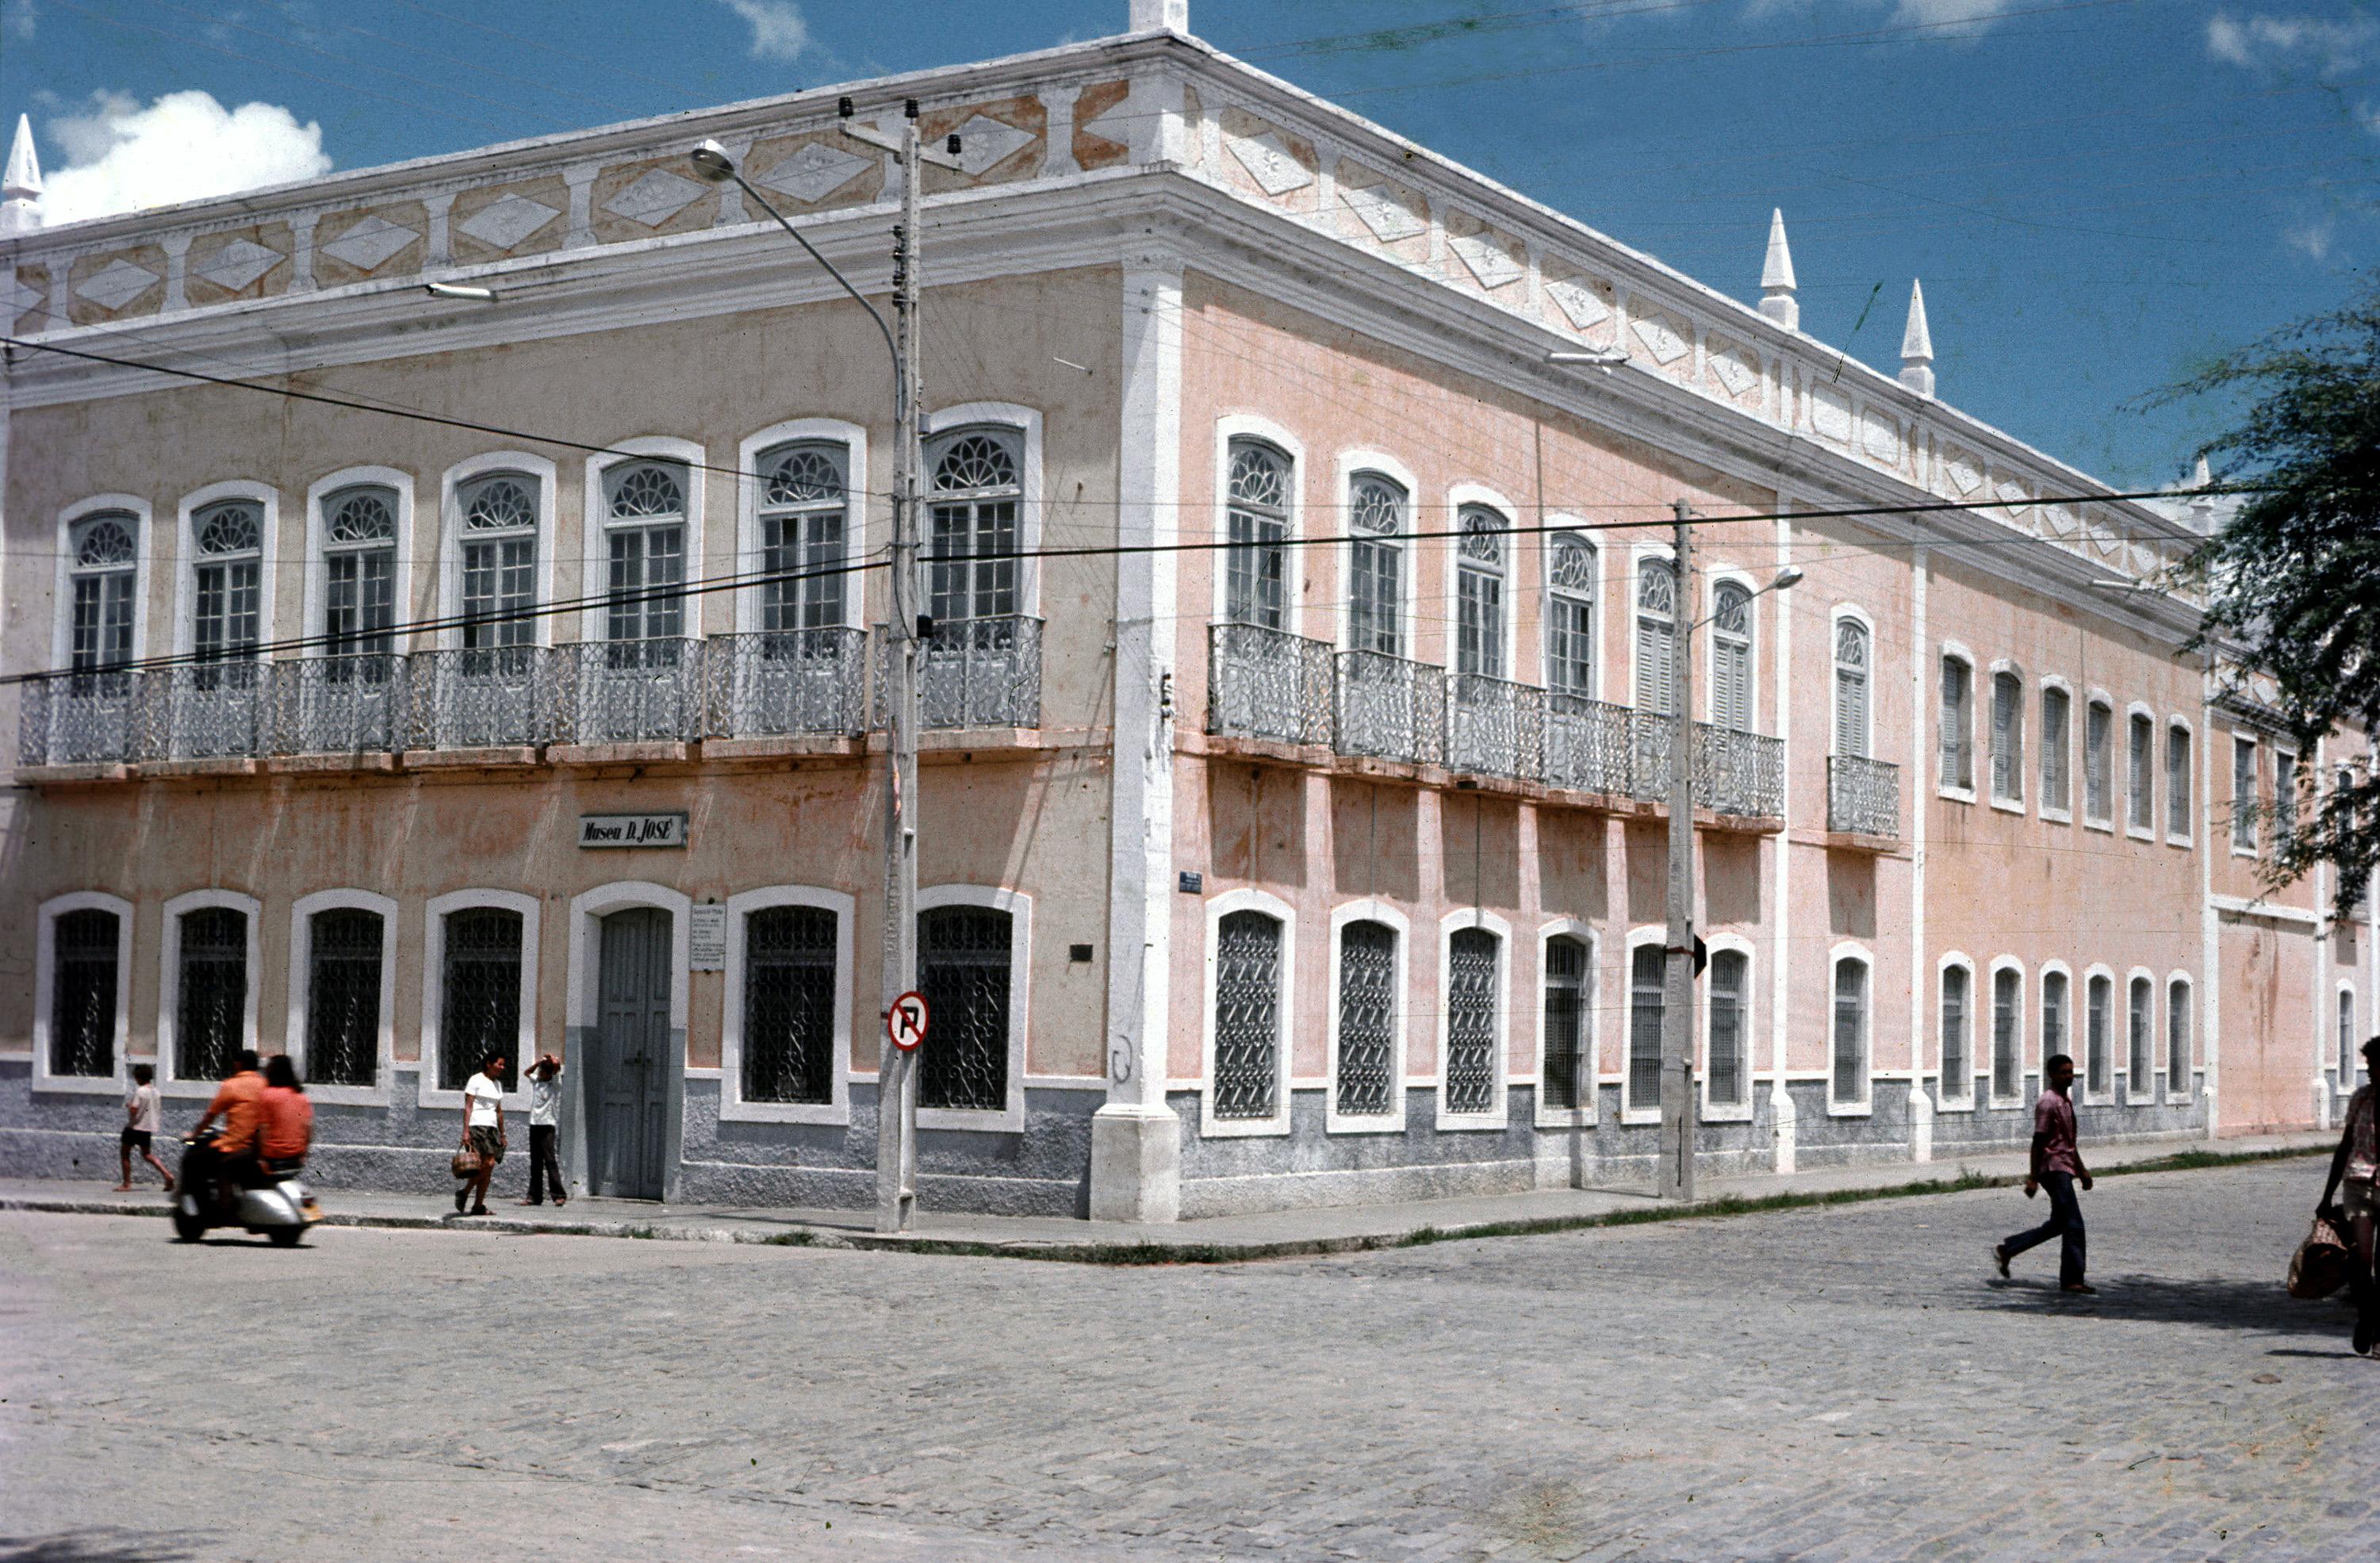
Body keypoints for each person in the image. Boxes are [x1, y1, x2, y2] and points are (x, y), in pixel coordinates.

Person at [1992, 1052, 2095, 1294]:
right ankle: (2072, 1280)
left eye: (2071, 1072)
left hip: (2065, 1167)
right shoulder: (2048, 1102)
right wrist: (2032, 1178)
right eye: (2064, 1072)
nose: (2069, 1076)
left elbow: (2069, 1142)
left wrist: (2082, 1171)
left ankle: (2008, 1250)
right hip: (2053, 1169)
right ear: (2051, 1074)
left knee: (2058, 1224)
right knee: (2074, 1224)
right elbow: (2038, 1142)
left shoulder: (2064, 1100)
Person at [2316, 1034, 2380, 1356]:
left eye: (2374, 1065)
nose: (2369, 1071)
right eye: (2368, 1064)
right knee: (2360, 1259)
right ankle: (2367, 1316)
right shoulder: (2361, 1099)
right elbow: (2344, 1147)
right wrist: (2327, 1196)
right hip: (2359, 1183)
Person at [186, 1049, 266, 1209]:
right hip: (258, 1145)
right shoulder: (265, 1085)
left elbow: (211, 1115)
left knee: (193, 1159)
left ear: (239, 1064)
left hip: (236, 1143)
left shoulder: (231, 1085)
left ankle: (209, 1206)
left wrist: (194, 1135)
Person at [454, 1051, 508, 1216]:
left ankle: (478, 1205)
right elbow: (468, 1106)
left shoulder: (498, 1084)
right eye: (499, 1064)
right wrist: (465, 1131)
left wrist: (503, 1133)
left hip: (492, 1129)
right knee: (488, 1164)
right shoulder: (476, 1080)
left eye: (503, 1064)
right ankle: (465, 1191)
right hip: (477, 1126)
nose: (502, 1068)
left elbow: (498, 1111)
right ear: (489, 1064)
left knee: (488, 1168)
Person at [517, 1052, 566, 1208]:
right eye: (540, 1072)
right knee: (535, 1162)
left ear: (549, 1073)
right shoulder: (537, 1082)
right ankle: (534, 1196)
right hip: (534, 1124)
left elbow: (557, 1067)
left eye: (543, 1072)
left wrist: (551, 1059)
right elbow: (527, 1073)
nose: (540, 1074)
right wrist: (538, 1062)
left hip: (547, 1125)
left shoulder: (554, 1085)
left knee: (550, 1160)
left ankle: (559, 1195)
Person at [115, 1062, 172, 1192]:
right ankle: (167, 1174)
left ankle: (126, 1184)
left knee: (125, 1153)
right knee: (147, 1155)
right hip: (147, 1129)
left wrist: (129, 1106)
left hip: (134, 1128)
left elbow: (134, 1109)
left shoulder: (140, 1091)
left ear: (139, 1078)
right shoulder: (156, 1092)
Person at [259, 1054, 313, 1175]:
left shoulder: (267, 1096)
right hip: (296, 1156)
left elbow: (263, 1130)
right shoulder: (301, 1097)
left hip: (272, 1155)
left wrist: (261, 1158)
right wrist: (304, 1153)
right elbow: (308, 1128)